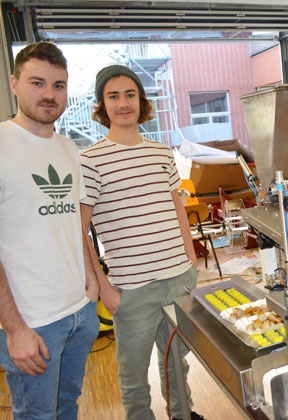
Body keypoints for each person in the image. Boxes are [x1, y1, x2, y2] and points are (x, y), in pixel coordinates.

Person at [80, 65, 203, 420]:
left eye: (130, 94)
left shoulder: (162, 153)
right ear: (103, 105)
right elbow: (80, 229)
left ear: (141, 100)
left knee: (177, 363)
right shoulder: (90, 161)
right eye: (113, 96)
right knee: (134, 377)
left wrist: (190, 261)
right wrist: (104, 287)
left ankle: (183, 416)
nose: (123, 103)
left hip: (178, 280)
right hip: (131, 290)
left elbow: (177, 209)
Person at [0, 41, 100, 419]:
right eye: (37, 82)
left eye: (58, 85)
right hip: (32, 324)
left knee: (67, 406)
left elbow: (75, 223)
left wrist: (91, 285)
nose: (48, 94)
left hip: (79, 311)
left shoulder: (68, 147)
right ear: (14, 84)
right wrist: (13, 329)